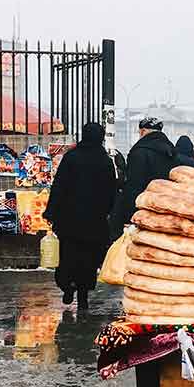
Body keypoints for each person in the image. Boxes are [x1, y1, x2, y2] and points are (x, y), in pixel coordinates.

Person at [43, 122, 117, 310]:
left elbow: (59, 186)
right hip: (94, 221)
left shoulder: (72, 157)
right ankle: (83, 295)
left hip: (69, 220)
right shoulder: (105, 161)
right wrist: (107, 212)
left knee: (68, 255)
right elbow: (111, 192)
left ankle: (67, 286)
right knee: (88, 259)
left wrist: (51, 211)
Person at [109, 117, 176, 238]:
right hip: (166, 210)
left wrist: (129, 215)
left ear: (143, 131)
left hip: (143, 210)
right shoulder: (172, 152)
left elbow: (133, 186)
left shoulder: (139, 153)